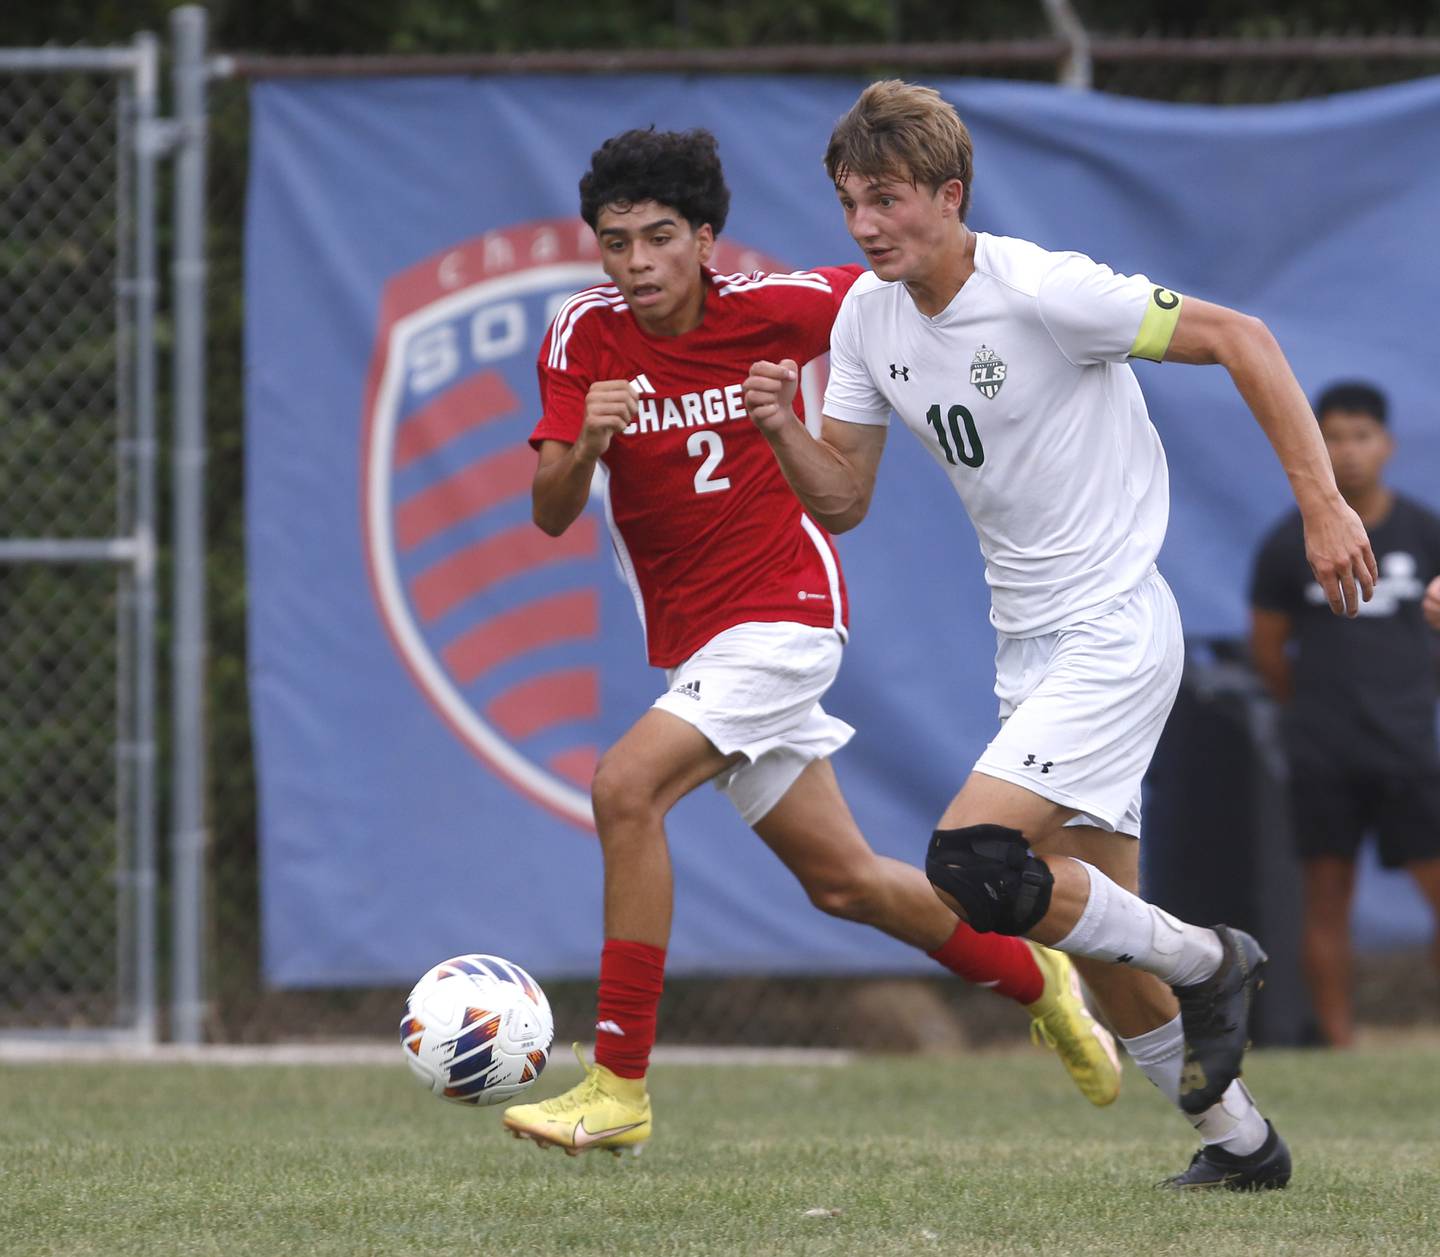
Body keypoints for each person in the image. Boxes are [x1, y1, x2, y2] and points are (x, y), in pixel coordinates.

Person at [743, 80, 1378, 1190]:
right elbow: (843, 498)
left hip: (1114, 628)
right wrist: (783, 429)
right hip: (1026, 645)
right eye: (849, 201)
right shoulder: (866, 319)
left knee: (971, 861)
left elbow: (1243, 336)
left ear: (951, 194)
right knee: (1096, 940)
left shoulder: (1043, 289)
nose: (863, 227)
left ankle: (1212, 956)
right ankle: (1243, 1146)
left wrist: (1325, 506)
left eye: (887, 200)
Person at [500, 127, 1122, 1157]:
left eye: (660, 238)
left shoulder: (784, 307)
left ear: (707, 239)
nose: (638, 263)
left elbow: (930, 278)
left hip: (784, 615)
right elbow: (552, 510)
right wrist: (591, 442)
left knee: (625, 788)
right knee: (847, 883)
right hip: (698, 647)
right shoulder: (583, 334)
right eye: (616, 244)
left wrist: (1030, 351)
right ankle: (1037, 978)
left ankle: (615, 1085)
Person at [1250, 380, 1440, 1048]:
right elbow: (1269, 651)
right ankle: (1340, 1044)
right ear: (1317, 444)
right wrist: (1312, 713)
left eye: (1362, 436)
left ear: (1386, 444)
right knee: (1327, 902)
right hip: (1324, 750)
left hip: (1412, 747)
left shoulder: (1426, 532)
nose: (1349, 452)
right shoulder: (1286, 543)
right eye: (1333, 436)